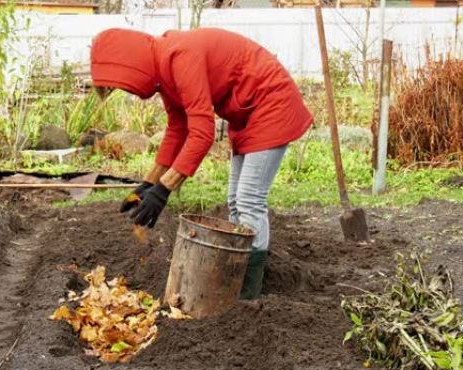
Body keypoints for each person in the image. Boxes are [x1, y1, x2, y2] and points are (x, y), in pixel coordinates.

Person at [90, 27, 313, 299]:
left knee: (249, 200)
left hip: (271, 105)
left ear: (130, 66)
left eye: (122, 86)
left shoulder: (180, 56)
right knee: (235, 200)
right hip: (246, 113)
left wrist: (163, 190)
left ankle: (249, 291)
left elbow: (202, 133)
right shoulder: (165, 71)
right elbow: (177, 130)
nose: (130, 93)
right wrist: (147, 184)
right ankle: (235, 273)